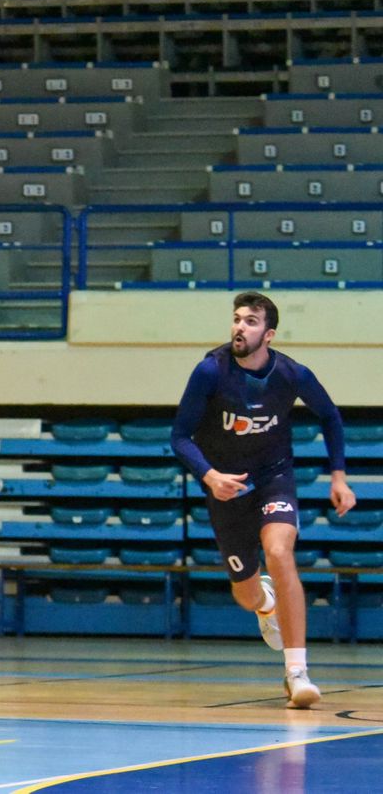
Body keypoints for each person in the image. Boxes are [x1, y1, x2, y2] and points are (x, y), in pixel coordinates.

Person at [170, 291, 354, 709]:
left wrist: (339, 477)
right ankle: (266, 603)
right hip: (226, 487)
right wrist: (210, 475)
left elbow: (330, 416)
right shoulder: (209, 372)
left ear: (268, 334)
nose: (240, 327)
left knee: (279, 551)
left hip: (274, 478)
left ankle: (297, 673)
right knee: (246, 595)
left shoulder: (292, 374)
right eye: (237, 319)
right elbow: (179, 437)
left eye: (251, 321)